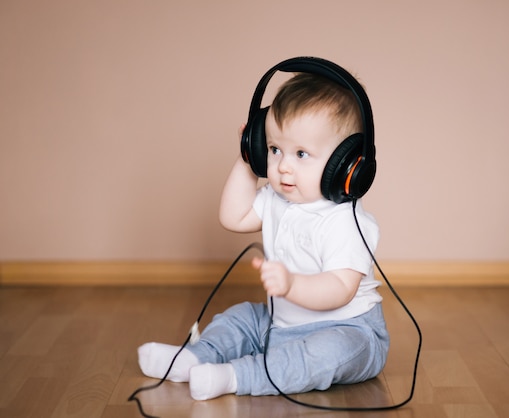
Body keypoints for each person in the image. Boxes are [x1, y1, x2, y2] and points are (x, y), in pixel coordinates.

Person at [137, 68, 389, 401]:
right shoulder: (276, 198)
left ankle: (236, 376)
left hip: (347, 329)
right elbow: (234, 216)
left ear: (345, 166)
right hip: (278, 323)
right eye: (273, 149)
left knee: (323, 354)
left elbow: (342, 289)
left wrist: (292, 285)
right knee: (241, 318)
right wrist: (247, 160)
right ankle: (194, 357)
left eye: (301, 154)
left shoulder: (345, 221)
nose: (283, 166)